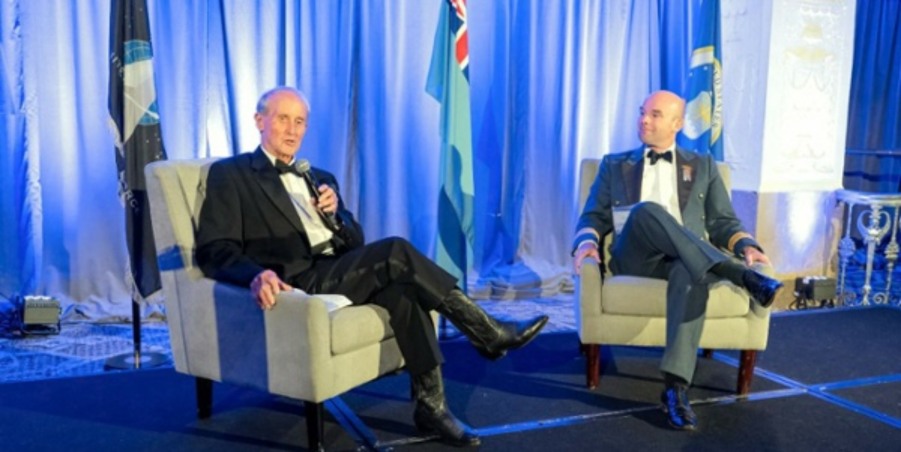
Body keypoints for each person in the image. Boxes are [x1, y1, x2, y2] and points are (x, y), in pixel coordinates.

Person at [196, 86, 548, 447]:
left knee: (404, 290)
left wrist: (336, 217)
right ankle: (486, 331)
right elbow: (213, 249)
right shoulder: (232, 174)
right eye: (283, 119)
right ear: (259, 121)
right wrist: (256, 275)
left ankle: (431, 406)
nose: (292, 129)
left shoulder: (319, 176)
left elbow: (356, 243)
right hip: (297, 281)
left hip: (338, 269)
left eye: (299, 122)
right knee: (396, 250)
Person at [572, 90, 783, 431]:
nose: (644, 119)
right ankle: (736, 274)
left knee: (691, 272)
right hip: (635, 256)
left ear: (677, 123)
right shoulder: (615, 165)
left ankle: (676, 389)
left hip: (686, 259)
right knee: (646, 211)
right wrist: (586, 243)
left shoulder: (703, 166)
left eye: (655, 114)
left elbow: (722, 221)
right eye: (643, 112)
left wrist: (747, 245)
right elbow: (592, 216)